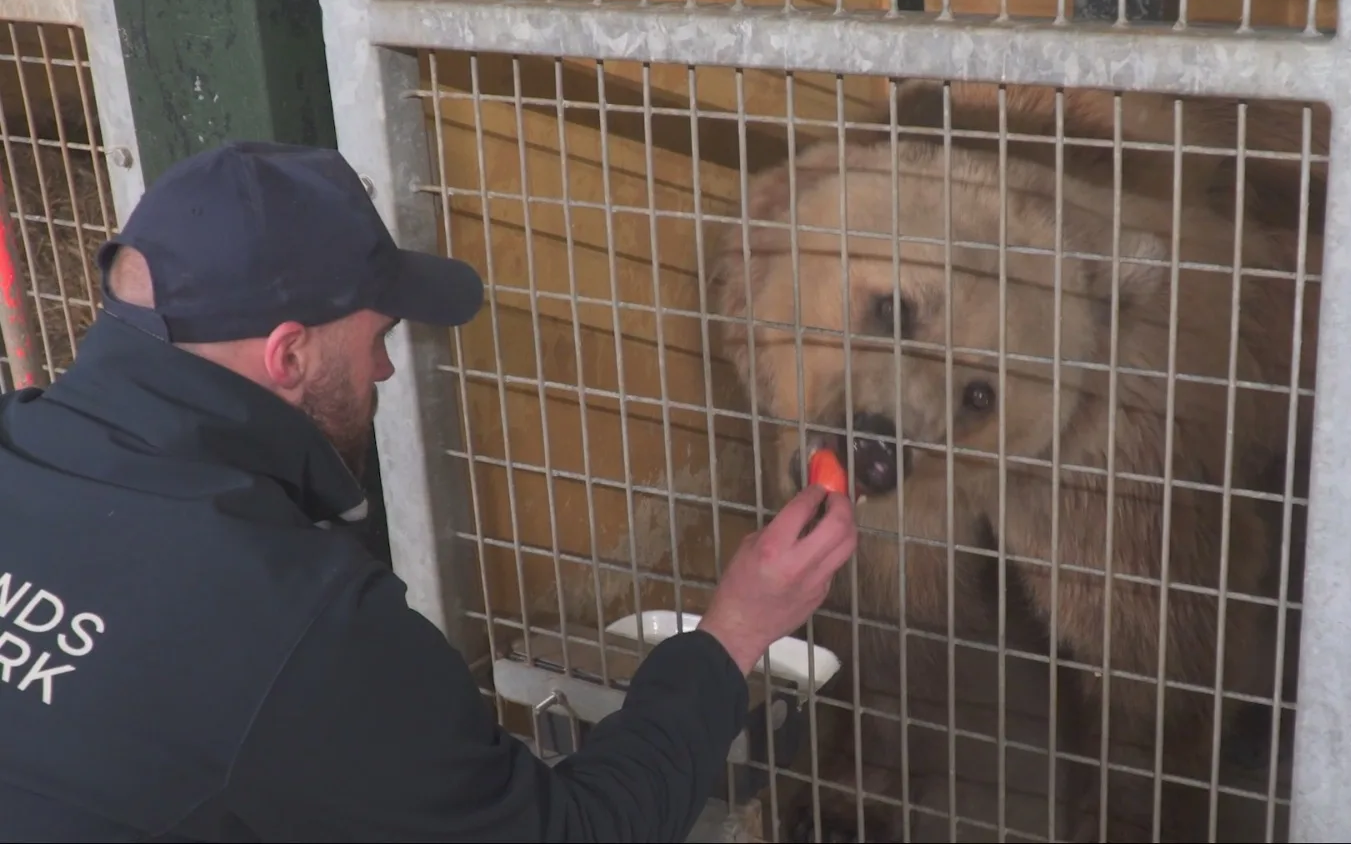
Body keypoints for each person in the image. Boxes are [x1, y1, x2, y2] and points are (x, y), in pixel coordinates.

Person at [0, 140, 859, 842]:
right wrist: (736, 629)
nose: (381, 366)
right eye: (378, 336)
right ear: (288, 355)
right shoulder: (298, 627)